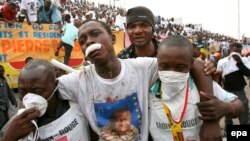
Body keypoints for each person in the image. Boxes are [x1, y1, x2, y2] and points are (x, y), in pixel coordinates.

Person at [57, 20, 221, 141]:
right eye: (83, 40)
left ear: (113, 39)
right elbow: (42, 89)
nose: (89, 41)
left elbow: (191, 64)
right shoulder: (75, 81)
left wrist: (211, 120)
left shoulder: (142, 67)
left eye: (95, 34)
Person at [117, 6, 220, 140]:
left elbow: (197, 66)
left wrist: (210, 120)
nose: (137, 31)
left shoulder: (167, 49)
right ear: (126, 29)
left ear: (153, 28)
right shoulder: (123, 58)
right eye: (132, 27)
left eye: (144, 25)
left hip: (174, 122)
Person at [149, 35, 244, 140]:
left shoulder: (200, 86)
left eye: (180, 67)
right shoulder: (149, 89)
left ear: (191, 65)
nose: (172, 72)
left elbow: (239, 105)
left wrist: (227, 108)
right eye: (165, 66)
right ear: (157, 62)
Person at [0, 59, 90, 141]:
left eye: (37, 90)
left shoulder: (75, 101)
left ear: (55, 85)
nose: (29, 98)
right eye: (22, 91)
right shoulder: (19, 126)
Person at [217, 43, 250, 128]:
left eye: (239, 51)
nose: (236, 53)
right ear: (230, 49)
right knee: (228, 112)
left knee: (244, 112)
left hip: (240, 91)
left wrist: (239, 62)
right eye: (235, 50)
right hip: (227, 90)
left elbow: (248, 74)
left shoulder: (244, 60)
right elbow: (219, 76)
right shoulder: (222, 61)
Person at [0, 65, 17, 130]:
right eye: (0, 71)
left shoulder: (4, 80)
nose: (2, 72)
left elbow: (9, 92)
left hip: (5, 105)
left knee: (7, 120)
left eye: (3, 70)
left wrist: (14, 101)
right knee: (2, 120)